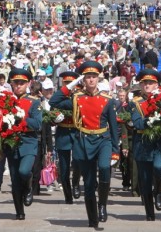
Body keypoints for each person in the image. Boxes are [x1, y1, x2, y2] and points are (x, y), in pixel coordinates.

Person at [50, 61, 120, 228]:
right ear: (83, 80)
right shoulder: (76, 98)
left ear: (98, 79)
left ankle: (102, 204)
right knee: (88, 184)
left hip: (103, 140)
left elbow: (114, 127)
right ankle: (92, 218)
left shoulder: (107, 100)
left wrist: (115, 151)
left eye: (94, 77)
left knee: (104, 168)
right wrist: (73, 83)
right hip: (83, 141)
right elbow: (54, 100)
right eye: (87, 77)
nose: (91, 80)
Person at [130, 69, 161, 221]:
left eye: (151, 83)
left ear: (156, 85)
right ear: (140, 84)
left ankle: (158, 191)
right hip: (142, 143)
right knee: (144, 181)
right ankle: (149, 213)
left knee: (159, 167)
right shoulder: (136, 103)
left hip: (158, 142)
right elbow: (138, 123)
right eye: (145, 82)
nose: (147, 85)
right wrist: (152, 120)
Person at [6, 68, 42, 220]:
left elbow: (37, 123)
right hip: (11, 142)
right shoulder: (6, 101)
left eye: (22, 83)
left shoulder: (34, 102)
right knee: (14, 179)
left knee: (24, 171)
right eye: (16, 83)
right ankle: (19, 211)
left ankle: (28, 187)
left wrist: (21, 119)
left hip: (28, 141)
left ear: (28, 84)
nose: (18, 86)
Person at [50, 71, 82, 204]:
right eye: (66, 83)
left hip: (76, 133)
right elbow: (53, 106)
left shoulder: (80, 96)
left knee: (78, 162)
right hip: (63, 134)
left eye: (71, 83)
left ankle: (75, 183)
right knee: (63, 168)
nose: (69, 85)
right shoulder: (59, 96)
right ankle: (67, 195)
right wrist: (55, 119)